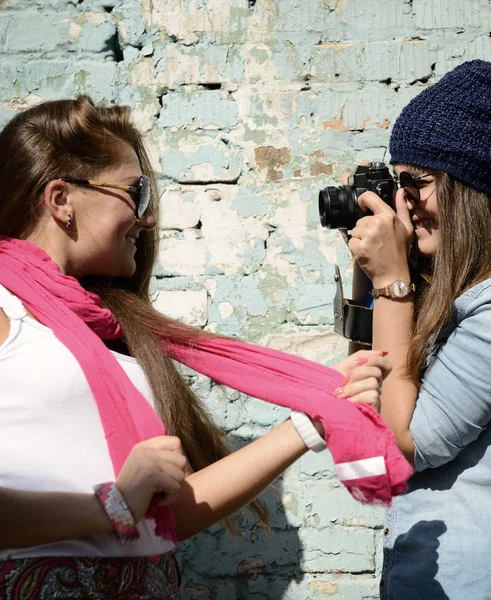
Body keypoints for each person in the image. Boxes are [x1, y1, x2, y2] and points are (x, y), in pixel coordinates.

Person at [0, 96, 396, 599]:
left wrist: (311, 420)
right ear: (61, 200)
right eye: (135, 194)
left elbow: (162, 519)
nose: (146, 219)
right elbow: (123, 509)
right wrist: (111, 505)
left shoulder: (101, 327)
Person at [346, 60, 491, 599]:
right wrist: (374, 272)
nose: (403, 202)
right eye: (396, 181)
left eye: (415, 183)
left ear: (468, 187)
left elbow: (407, 444)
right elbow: (372, 385)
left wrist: (393, 285)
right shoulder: (450, 292)